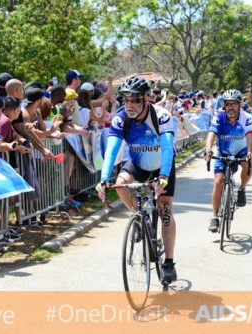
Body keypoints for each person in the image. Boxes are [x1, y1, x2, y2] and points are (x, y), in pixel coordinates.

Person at [95, 76, 178, 284]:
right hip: (138, 164)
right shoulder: (121, 118)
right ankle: (140, 219)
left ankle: (168, 262)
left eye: (135, 100)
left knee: (165, 210)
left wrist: (164, 176)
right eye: (126, 100)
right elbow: (112, 150)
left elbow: (167, 148)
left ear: (145, 100)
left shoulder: (161, 116)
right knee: (120, 185)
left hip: (162, 166)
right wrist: (104, 179)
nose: (130, 105)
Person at [204, 89, 252, 232]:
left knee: (249, 164)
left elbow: (250, 136)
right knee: (218, 181)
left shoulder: (246, 118)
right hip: (223, 152)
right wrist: (208, 150)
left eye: (234, 104)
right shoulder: (219, 117)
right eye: (228, 104)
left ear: (239, 105)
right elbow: (211, 134)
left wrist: (250, 152)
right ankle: (214, 217)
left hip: (241, 151)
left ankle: (242, 189)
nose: (230, 107)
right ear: (224, 105)